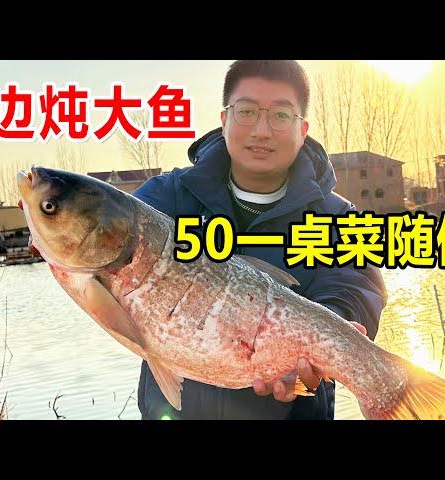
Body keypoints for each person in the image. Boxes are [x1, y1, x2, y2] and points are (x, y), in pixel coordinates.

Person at [134, 60, 387, 420]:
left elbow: (355, 287)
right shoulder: (166, 200)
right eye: (247, 112)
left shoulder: (338, 219)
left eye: (281, 115)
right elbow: (114, 247)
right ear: (224, 120)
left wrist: (323, 338)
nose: (262, 130)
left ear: (302, 129)